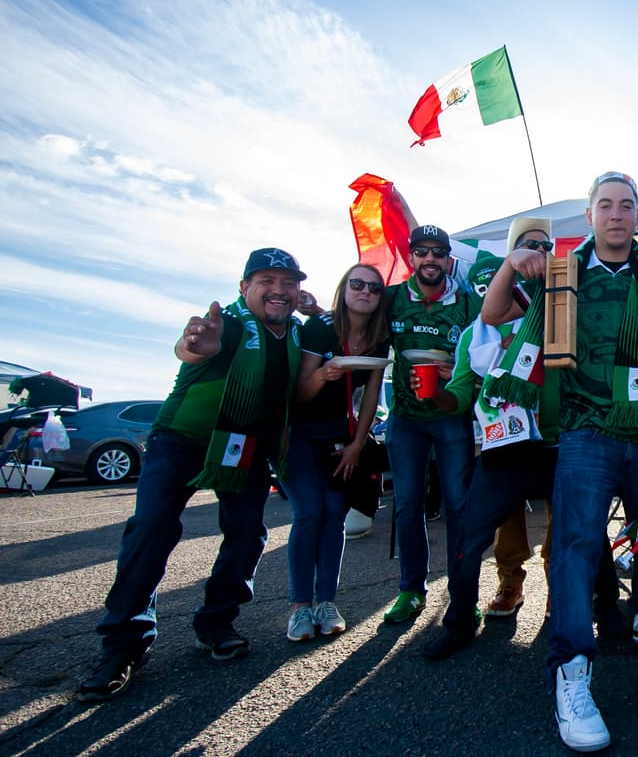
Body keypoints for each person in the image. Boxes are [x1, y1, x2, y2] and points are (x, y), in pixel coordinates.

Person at [482, 171, 638, 752]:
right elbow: (494, 315)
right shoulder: (561, 272)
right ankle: (571, 669)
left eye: (626, 205)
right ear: (590, 216)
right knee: (577, 547)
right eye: (606, 205)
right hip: (586, 433)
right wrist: (512, 262)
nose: (617, 214)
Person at [77, 248, 306, 702]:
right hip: (181, 439)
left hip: (243, 445)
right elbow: (195, 347)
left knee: (247, 533)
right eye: (266, 281)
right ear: (244, 287)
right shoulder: (228, 323)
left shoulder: (298, 332)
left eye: (289, 283)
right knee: (151, 529)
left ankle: (217, 622)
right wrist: (193, 348)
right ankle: (123, 644)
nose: (278, 290)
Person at [422, 218, 621, 661]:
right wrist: (434, 396)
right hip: (505, 451)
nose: (537, 253)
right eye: (527, 246)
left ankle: (609, 614)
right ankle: (459, 622)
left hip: (560, 447)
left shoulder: (561, 314)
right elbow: (460, 394)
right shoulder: (477, 333)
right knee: (468, 538)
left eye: (545, 247)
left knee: (590, 531)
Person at [283, 264, 388, 641]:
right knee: (309, 513)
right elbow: (299, 394)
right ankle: (300, 606)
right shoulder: (320, 328)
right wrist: (323, 374)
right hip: (299, 433)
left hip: (339, 436)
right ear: (344, 289)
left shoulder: (379, 337)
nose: (365, 291)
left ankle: (326, 602)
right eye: (357, 284)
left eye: (374, 288)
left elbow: (372, 395)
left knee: (333, 517)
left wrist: (358, 444)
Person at [380, 225, 479, 624]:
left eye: (438, 252)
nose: (430, 259)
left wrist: (459, 369)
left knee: (459, 506)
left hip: (451, 415)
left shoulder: (467, 302)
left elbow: (484, 350)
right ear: (411, 257)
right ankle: (411, 590)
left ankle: (463, 594)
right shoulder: (391, 298)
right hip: (405, 417)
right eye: (422, 251)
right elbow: (355, 322)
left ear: (448, 259)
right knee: (408, 505)